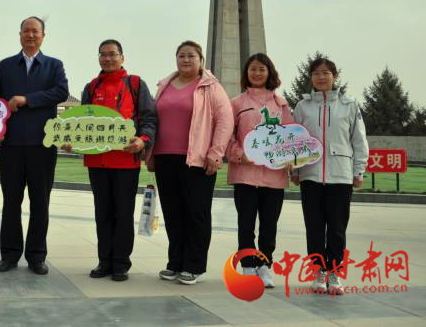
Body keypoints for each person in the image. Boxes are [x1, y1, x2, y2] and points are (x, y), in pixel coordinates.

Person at [64, 39, 156, 281]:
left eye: (113, 54)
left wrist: (143, 140)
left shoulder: (135, 84)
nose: (108, 58)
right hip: (97, 162)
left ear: (122, 57)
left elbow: (149, 118)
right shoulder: (91, 87)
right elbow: (81, 123)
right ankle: (104, 261)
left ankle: (120, 263)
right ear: (98, 58)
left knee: (123, 214)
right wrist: (71, 141)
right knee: (102, 214)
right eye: (103, 54)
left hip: (125, 162)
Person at [145, 40, 233, 285]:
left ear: (200, 60)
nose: (186, 60)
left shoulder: (210, 87)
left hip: (197, 160)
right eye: (181, 55)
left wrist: (216, 152)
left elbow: (225, 121)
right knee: (173, 213)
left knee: (196, 213)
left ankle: (194, 266)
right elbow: (153, 118)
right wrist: (150, 154)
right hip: (165, 158)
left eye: (191, 56)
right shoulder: (164, 85)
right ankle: (175, 263)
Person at [0, 16, 69, 275]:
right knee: (11, 202)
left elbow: (61, 92)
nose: (31, 35)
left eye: (35, 31)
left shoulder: (54, 65)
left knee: (40, 203)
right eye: (26, 31)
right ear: (20, 34)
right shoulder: (6, 65)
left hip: (42, 145)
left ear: (43, 36)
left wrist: (27, 99)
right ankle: (9, 255)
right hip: (11, 145)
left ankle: (37, 256)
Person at [291, 57, 368, 295]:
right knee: (314, 227)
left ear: (334, 76)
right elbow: (295, 140)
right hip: (311, 176)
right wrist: (295, 169)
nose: (321, 77)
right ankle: (318, 272)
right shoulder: (302, 106)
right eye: (316, 73)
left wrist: (359, 170)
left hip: (341, 176)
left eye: (326, 73)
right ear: (311, 78)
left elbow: (359, 140)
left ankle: (334, 273)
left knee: (337, 228)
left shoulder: (349, 105)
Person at [225, 53, 293, 288]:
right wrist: (239, 155)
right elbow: (227, 136)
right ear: (246, 73)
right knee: (245, 224)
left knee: (269, 225)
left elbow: (291, 136)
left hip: (274, 176)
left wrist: (290, 157)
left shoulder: (281, 104)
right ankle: (247, 265)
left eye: (262, 69)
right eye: (253, 69)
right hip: (245, 174)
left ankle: (264, 266)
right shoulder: (236, 103)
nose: (257, 73)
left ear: (269, 72)